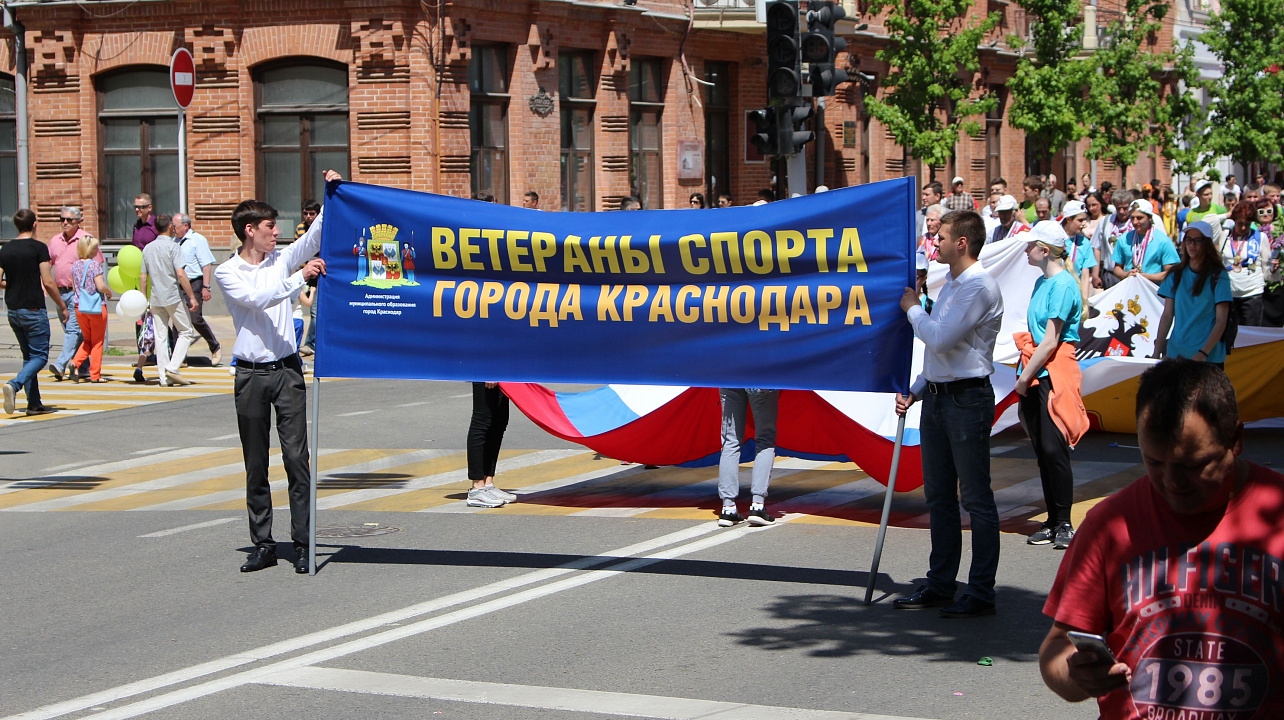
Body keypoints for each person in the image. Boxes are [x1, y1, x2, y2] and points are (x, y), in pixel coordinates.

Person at [1038, 359, 1284, 719]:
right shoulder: (1109, 524)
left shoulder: (1275, 512)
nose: (1172, 481)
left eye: (1192, 465)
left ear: (1235, 441)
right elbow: (1057, 646)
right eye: (1154, 462)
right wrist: (1077, 675)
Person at [214, 169, 341, 573]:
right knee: (256, 462)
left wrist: (331, 192)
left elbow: (313, 238)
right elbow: (257, 299)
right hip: (250, 375)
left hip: (287, 371)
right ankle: (264, 544)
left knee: (296, 459)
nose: (277, 233)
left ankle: (302, 543)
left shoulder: (281, 259)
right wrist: (299, 277)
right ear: (250, 230)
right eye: (270, 227)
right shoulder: (227, 272)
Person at [893, 210, 1004, 618]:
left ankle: (981, 591)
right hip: (939, 397)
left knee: (975, 497)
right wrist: (917, 390)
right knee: (939, 496)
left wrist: (912, 308)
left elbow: (939, 339)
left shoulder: (979, 286)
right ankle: (941, 583)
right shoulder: (953, 284)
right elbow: (940, 356)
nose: (934, 242)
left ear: (962, 243)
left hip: (967, 399)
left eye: (940, 237)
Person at [1015, 221, 1088, 550]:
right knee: (1043, 451)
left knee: (1054, 450)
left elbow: (1050, 341)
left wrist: (1024, 378)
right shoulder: (1042, 282)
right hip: (1038, 369)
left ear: (1045, 251)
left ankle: (1064, 523)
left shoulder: (1062, 285)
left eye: (1030, 245)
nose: (1026, 249)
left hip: (1053, 371)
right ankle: (1053, 520)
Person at [462, 191, 520, 510]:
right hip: (483, 351)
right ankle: (475, 486)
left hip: (502, 348)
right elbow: (478, 316)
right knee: (483, 417)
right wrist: (487, 363)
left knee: (500, 418)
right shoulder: (474, 260)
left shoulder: (496, 256)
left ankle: (489, 481)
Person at [1, 209, 68, 416]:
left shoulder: (5, 249)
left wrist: (13, 284)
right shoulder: (39, 248)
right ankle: (14, 384)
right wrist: (62, 306)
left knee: (29, 356)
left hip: (13, 310)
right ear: (35, 224)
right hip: (33, 310)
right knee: (39, 357)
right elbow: (48, 281)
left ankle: (34, 404)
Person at [1153, 221, 1231, 366]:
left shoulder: (1219, 276)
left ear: (1207, 244)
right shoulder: (1175, 274)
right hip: (1176, 355)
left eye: (1198, 240)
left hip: (1209, 358)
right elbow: (1167, 315)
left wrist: (1204, 353)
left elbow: (1221, 321)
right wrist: (1157, 352)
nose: (1192, 245)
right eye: (1189, 240)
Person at [139, 215, 200, 387]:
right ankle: (172, 368)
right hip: (172, 295)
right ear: (171, 227)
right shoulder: (174, 247)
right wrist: (192, 296)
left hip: (156, 297)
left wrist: (144, 298)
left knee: (160, 336)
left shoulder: (148, 248)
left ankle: (163, 378)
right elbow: (180, 273)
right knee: (186, 331)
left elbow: (143, 276)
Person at [46, 206, 102, 382]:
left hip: (77, 293)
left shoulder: (86, 240)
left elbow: (97, 265)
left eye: (69, 220)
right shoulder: (55, 240)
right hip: (59, 292)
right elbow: (48, 264)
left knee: (72, 331)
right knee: (75, 333)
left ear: (78, 221)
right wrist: (45, 286)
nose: (65, 223)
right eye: (62, 219)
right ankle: (82, 368)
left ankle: (60, 364)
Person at [173, 212, 223, 365]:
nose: (172, 229)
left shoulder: (197, 240)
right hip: (178, 284)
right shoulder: (174, 241)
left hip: (194, 282)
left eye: (175, 226)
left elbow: (206, 264)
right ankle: (179, 357)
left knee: (195, 318)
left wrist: (206, 287)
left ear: (185, 226)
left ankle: (214, 346)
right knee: (177, 321)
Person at [67, 234, 112, 383]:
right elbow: (100, 286)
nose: (97, 250)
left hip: (79, 307)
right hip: (96, 307)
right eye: (95, 247)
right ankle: (95, 375)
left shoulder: (75, 265)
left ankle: (75, 362)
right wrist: (108, 292)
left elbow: (74, 288)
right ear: (90, 249)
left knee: (87, 340)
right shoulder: (94, 265)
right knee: (97, 342)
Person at [1219, 201, 1265, 327]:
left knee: (1251, 333)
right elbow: (1208, 222)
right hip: (1230, 293)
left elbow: (1266, 265)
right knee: (1229, 333)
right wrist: (1225, 215)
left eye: (1247, 224)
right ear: (1234, 220)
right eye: (1240, 223)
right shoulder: (1225, 235)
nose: (1244, 228)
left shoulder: (1260, 237)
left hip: (1252, 292)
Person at [1111, 199, 1179, 284]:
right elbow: (1117, 268)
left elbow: (1171, 273)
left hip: (1154, 290)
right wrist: (1126, 274)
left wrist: (1146, 277)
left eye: (1139, 218)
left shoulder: (1163, 241)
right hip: (1130, 289)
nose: (1135, 222)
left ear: (1149, 218)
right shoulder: (1124, 239)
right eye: (1132, 218)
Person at [1092, 189, 1135, 288]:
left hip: (1131, 274)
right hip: (1110, 274)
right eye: (1118, 208)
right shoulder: (1106, 221)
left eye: (1125, 208)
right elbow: (1097, 247)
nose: (1121, 211)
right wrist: (1095, 275)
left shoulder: (1135, 223)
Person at [295, 200, 321, 357]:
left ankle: (311, 343)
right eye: (305, 213)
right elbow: (297, 248)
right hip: (304, 273)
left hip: (319, 274)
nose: (309, 216)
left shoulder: (322, 228)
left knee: (315, 311)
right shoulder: (300, 228)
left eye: (312, 213)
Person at [1060, 200, 1099, 299]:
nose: (1084, 224)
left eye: (1085, 220)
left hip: (1075, 292)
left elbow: (1085, 275)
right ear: (1069, 219)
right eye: (1080, 220)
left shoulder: (1084, 243)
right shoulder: (1055, 238)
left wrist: (1084, 299)